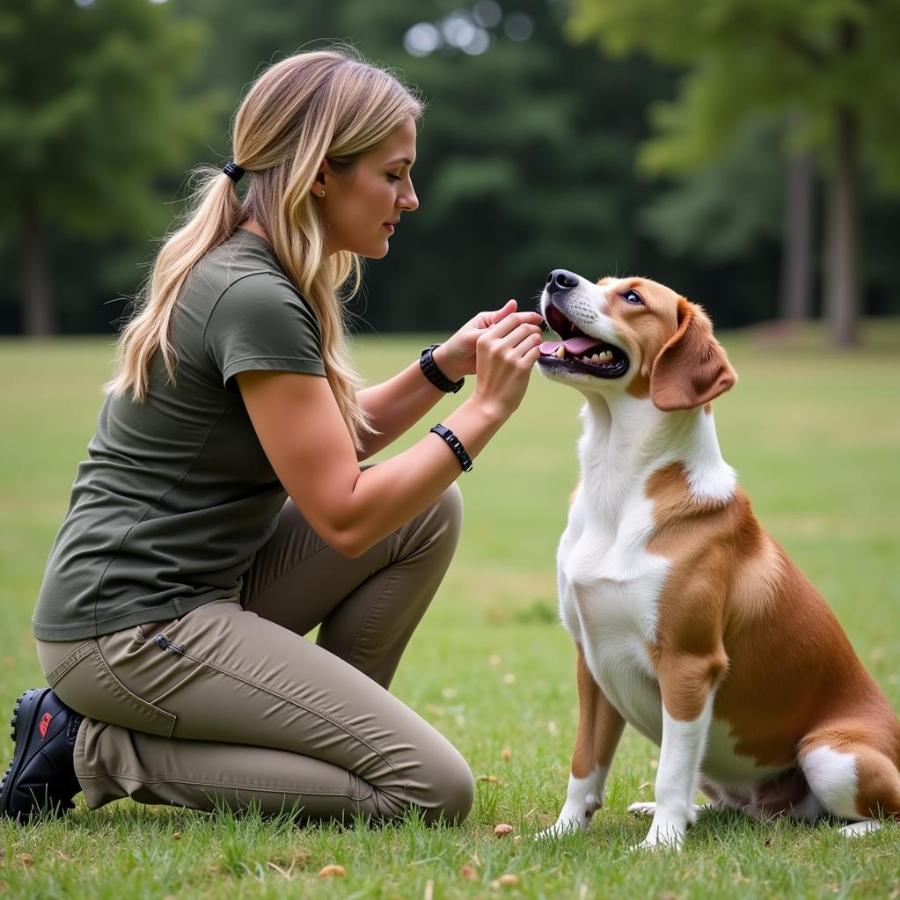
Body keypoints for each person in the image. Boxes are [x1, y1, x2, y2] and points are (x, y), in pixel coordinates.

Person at [0, 48, 544, 825]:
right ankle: (91, 748)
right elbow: (344, 513)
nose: (411, 197)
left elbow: (329, 445)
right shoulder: (252, 293)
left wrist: (442, 369)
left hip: (193, 595)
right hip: (129, 627)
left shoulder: (261, 270)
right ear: (321, 171)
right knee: (430, 791)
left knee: (428, 510)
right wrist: (483, 412)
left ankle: (319, 749)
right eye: (394, 174)